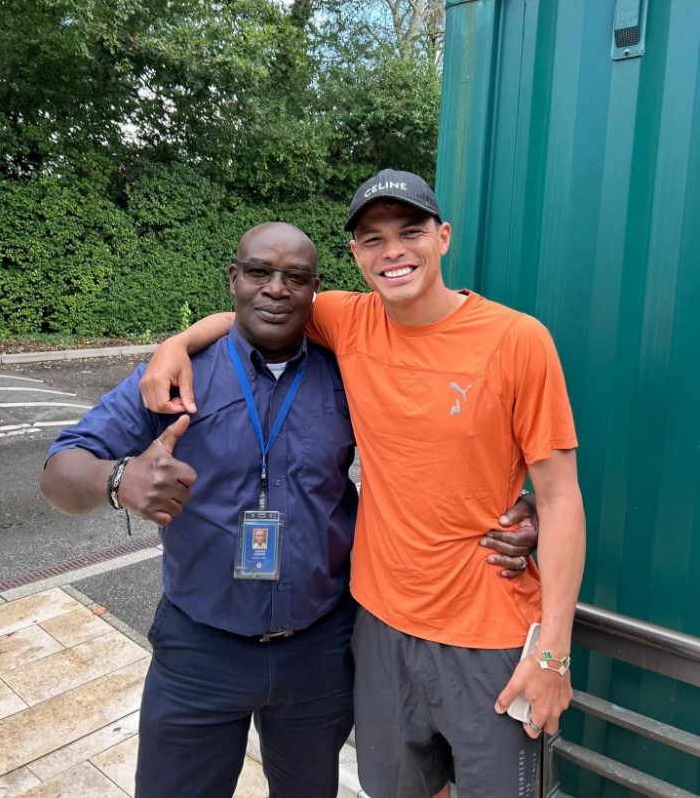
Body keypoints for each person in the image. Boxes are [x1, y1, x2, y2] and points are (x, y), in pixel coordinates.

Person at [40, 220, 536, 798]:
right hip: (201, 649)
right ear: (233, 279)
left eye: (294, 278)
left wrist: (518, 505)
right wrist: (118, 478)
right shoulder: (179, 377)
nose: (275, 289)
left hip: (318, 653)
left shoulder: (347, 367)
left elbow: (433, 448)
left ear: (314, 291)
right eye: (258, 272)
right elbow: (59, 471)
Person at [140, 170, 586, 798]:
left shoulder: (517, 340)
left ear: (444, 236)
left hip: (489, 633)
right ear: (356, 254)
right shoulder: (348, 319)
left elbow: (562, 497)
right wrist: (175, 344)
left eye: (411, 231)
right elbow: (256, 309)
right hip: (377, 627)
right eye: (373, 238)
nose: (393, 251)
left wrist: (553, 655)